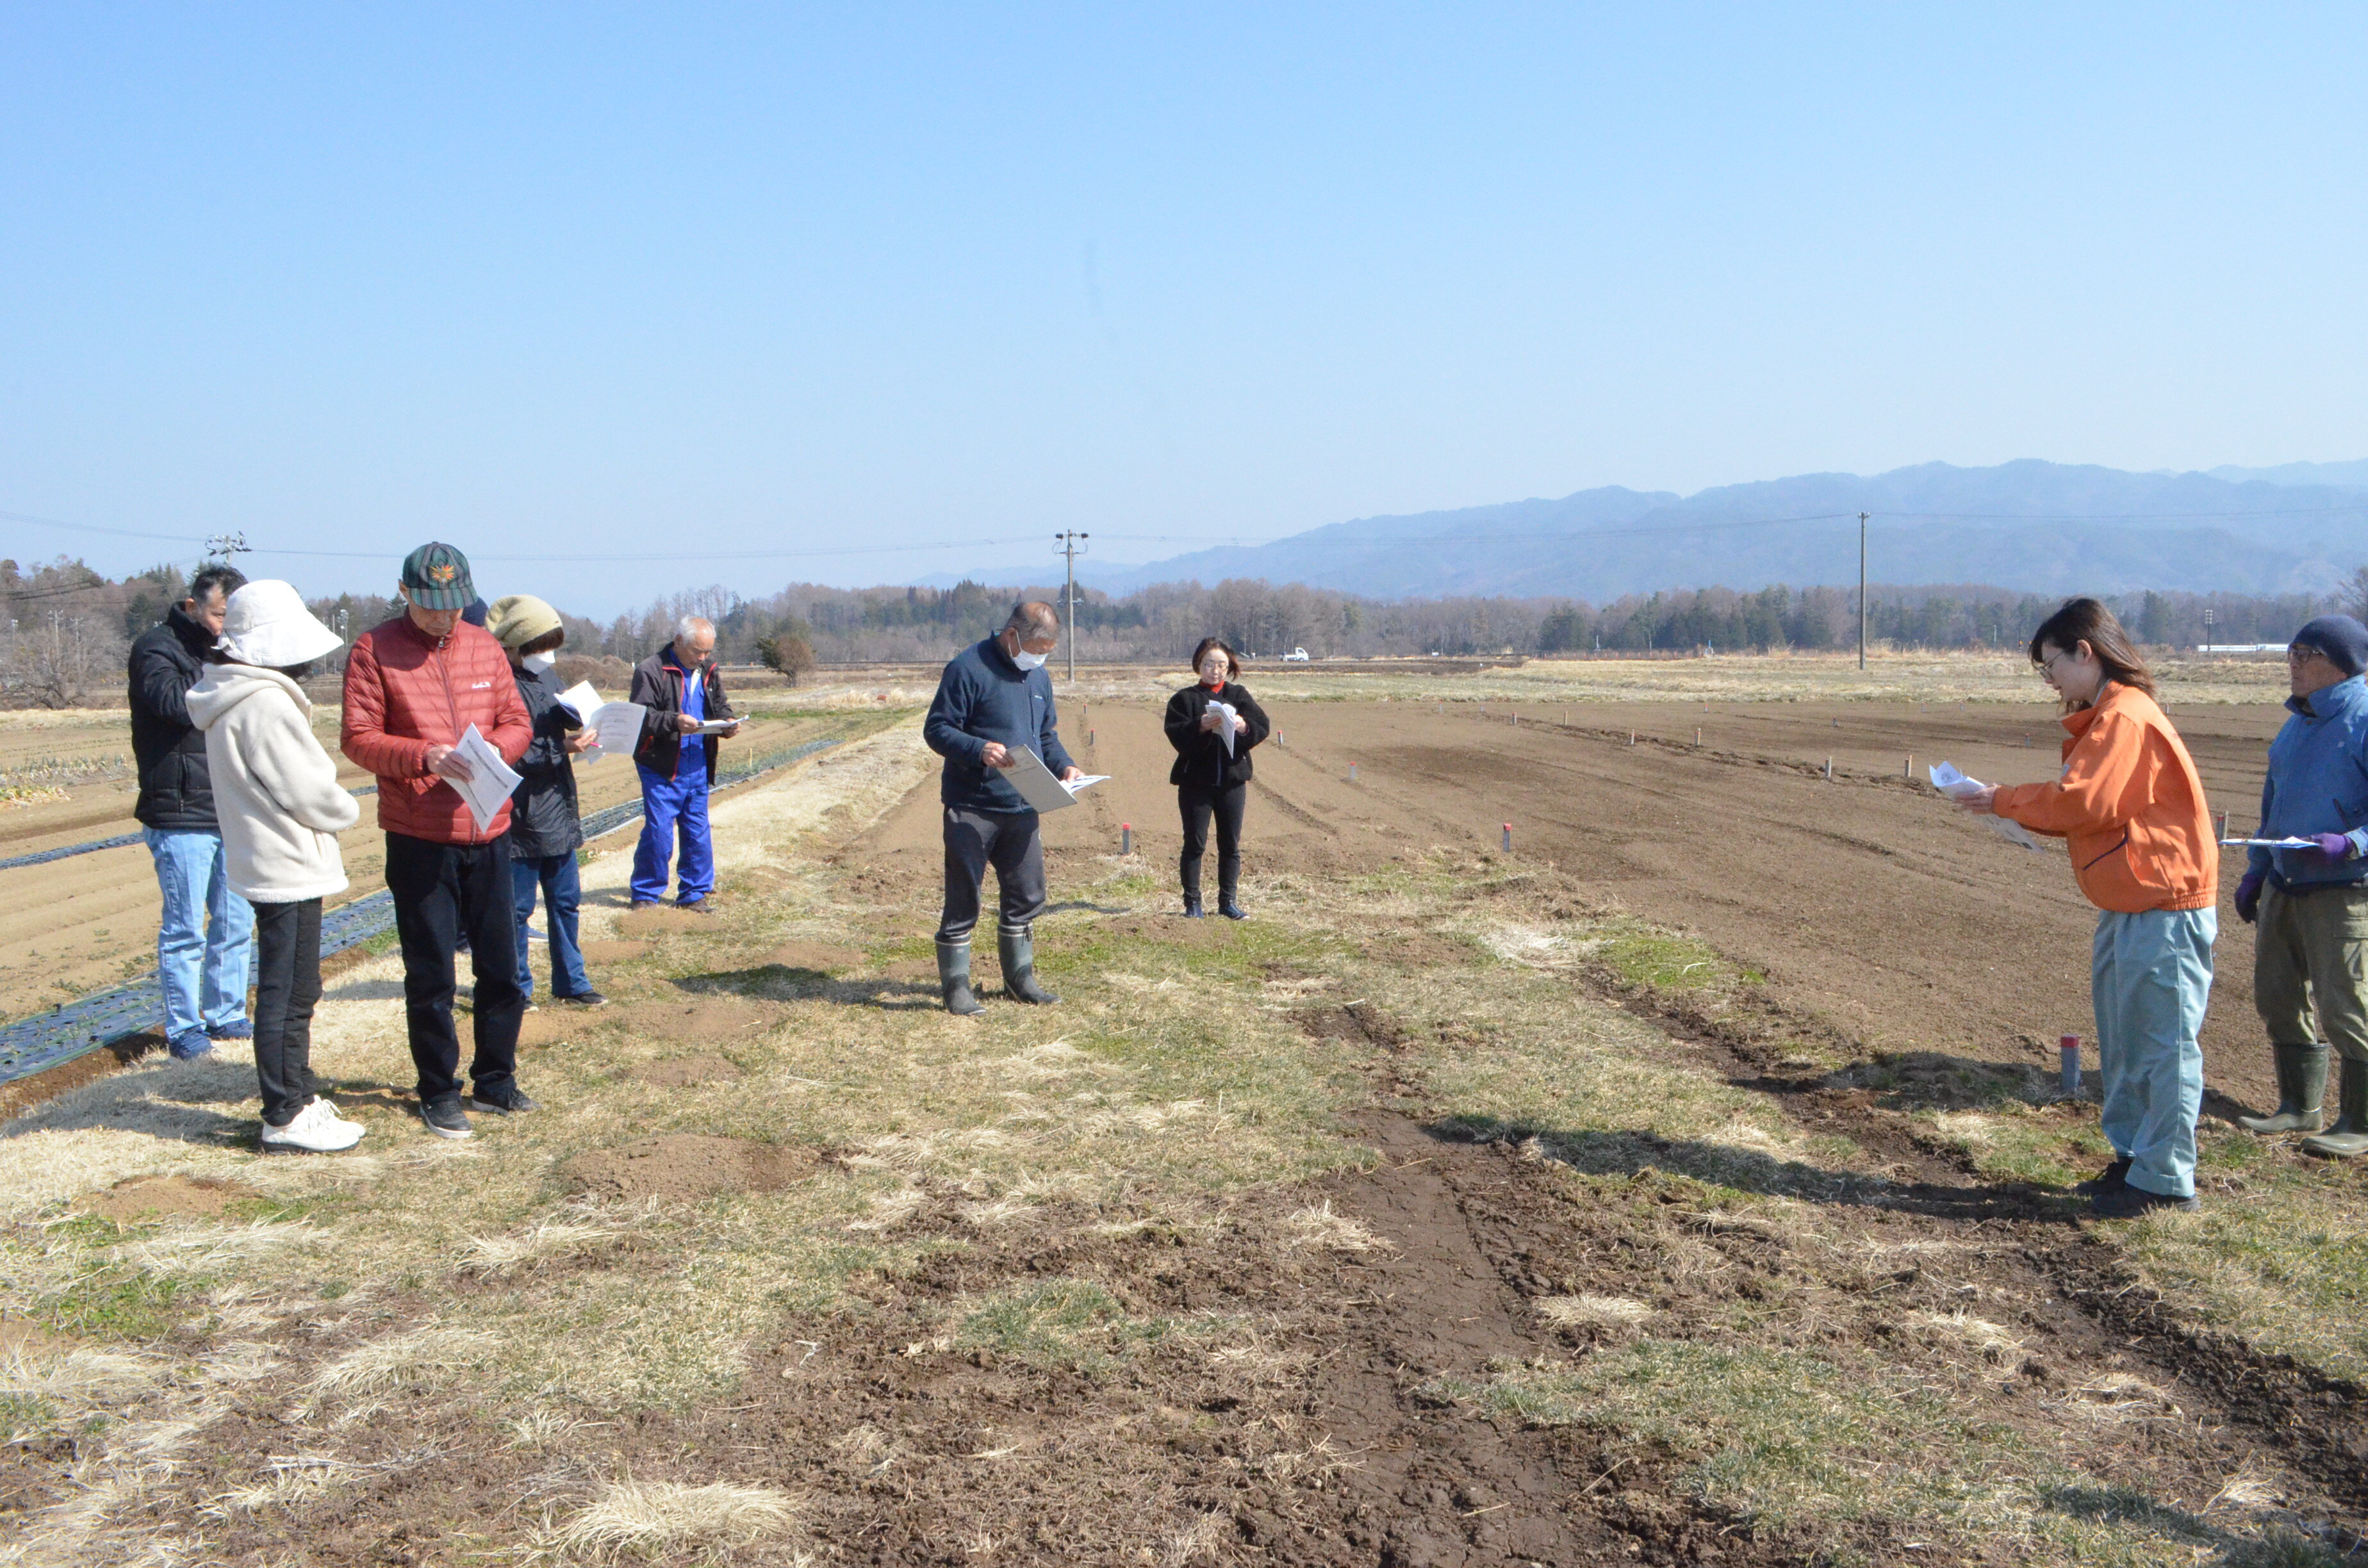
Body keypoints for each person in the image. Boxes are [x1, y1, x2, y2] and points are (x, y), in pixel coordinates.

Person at [1955, 598, 2217, 1216]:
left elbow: (2084, 804)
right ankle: (2133, 1161)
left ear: (2086, 652)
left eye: (2052, 665)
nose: (2049, 680)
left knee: (2163, 1045)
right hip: (2129, 903)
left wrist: (2000, 799)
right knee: (2126, 1045)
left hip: (2165, 905)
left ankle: (2165, 1181)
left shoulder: (2127, 718)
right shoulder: (2108, 718)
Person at [340, 543, 537, 1140]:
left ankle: (496, 1079)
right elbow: (358, 738)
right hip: (419, 833)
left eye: (453, 607)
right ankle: (437, 1089)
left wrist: (495, 753)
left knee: (502, 965)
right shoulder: (374, 650)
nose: (443, 619)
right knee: (431, 974)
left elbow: (517, 721)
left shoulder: (484, 645)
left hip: (489, 828)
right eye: (430, 607)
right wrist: (424, 756)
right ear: (405, 594)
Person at [186, 582, 365, 1153]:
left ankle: (299, 1096)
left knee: (291, 986)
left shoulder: (229, 694)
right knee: (290, 992)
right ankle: (285, 1113)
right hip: (286, 861)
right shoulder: (263, 702)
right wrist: (348, 808)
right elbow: (309, 790)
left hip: (264, 858)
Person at [2232, 614, 2368, 1156]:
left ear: (2343, 662)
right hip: (2285, 882)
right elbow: (2273, 810)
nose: (2293, 662)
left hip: (2345, 886)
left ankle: (2359, 1121)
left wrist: (2352, 842)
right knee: (2277, 996)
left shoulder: (2363, 719)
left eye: (2306, 653)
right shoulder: (2295, 725)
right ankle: (2298, 1106)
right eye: (2291, 652)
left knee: (2346, 1005)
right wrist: (2256, 871)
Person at [923, 601, 1082, 1015]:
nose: (1042, 657)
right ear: (1012, 635)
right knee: (964, 898)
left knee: (1027, 895)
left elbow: (1045, 734)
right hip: (972, 805)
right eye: (1037, 647)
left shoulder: (1039, 676)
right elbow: (938, 729)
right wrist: (979, 750)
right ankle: (957, 987)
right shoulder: (967, 668)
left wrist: (1064, 765)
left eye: (1049, 649)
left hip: (1022, 804)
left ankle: (1019, 978)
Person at [128, 563, 255, 1059]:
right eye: (221, 613)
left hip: (230, 805)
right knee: (185, 928)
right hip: (179, 811)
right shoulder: (157, 647)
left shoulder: (233, 650)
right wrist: (229, 682)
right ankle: (184, 1027)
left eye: (233, 615)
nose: (225, 625)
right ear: (195, 605)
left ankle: (226, 1014)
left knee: (235, 920)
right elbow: (173, 704)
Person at [489, 594, 605, 1009]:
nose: (548, 655)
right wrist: (564, 748)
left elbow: (556, 722)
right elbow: (507, 752)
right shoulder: (498, 686)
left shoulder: (548, 679)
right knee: (517, 910)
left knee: (566, 902)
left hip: (558, 807)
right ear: (517, 644)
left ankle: (572, 981)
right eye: (541, 646)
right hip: (520, 815)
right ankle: (517, 988)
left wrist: (582, 724)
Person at [628, 615, 741, 911]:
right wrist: (674, 721)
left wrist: (728, 722)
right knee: (659, 831)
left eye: (707, 652)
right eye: (696, 651)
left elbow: (720, 705)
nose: (702, 658)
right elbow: (640, 716)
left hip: (698, 763)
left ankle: (694, 894)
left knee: (697, 830)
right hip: (661, 765)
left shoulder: (708, 670)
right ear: (678, 641)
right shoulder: (650, 670)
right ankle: (645, 894)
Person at [1163, 637, 1270, 919]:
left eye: (1221, 665)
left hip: (1232, 783)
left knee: (1231, 845)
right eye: (1209, 664)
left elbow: (1262, 726)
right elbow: (1175, 734)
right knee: (1195, 843)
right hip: (1195, 784)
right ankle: (1193, 904)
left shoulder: (1239, 696)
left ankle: (1228, 902)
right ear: (1199, 665)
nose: (1215, 670)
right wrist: (1199, 726)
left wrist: (1243, 726)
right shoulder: (1183, 699)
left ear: (1229, 667)